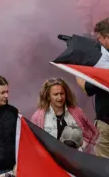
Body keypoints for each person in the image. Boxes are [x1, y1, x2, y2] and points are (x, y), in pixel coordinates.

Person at [31, 77, 98, 152]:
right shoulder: (38, 116)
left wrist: (82, 144)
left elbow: (93, 134)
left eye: (62, 93)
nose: (60, 98)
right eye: (56, 94)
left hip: (76, 158)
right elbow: (33, 141)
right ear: (48, 96)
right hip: (51, 158)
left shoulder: (77, 112)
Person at [76, 17, 109, 157]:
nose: (98, 42)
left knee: (103, 166)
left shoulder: (105, 62)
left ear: (107, 37)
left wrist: (77, 71)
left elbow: (88, 89)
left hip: (107, 122)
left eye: (99, 38)